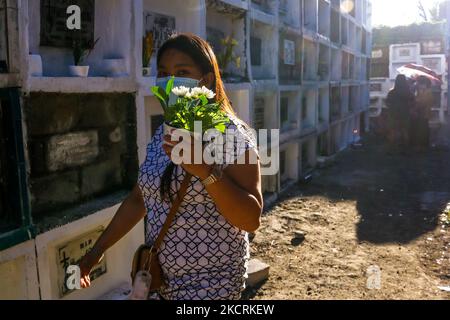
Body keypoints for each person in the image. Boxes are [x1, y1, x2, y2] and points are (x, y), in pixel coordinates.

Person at [78, 33, 263, 300]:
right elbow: (139, 198)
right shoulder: (164, 131)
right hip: (160, 282)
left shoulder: (228, 135)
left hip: (211, 286)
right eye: (163, 72)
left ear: (206, 81)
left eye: (182, 71)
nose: (170, 80)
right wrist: (96, 252)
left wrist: (205, 171)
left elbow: (250, 218)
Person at [385, 74, 415, 153]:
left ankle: (391, 148)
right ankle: (406, 148)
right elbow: (413, 102)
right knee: (405, 130)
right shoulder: (408, 92)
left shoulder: (392, 92)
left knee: (393, 131)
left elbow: (387, 103)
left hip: (393, 113)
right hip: (405, 113)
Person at [410, 76, 433, 152]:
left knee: (423, 129)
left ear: (424, 83)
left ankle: (423, 145)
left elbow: (423, 102)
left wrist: (416, 103)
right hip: (422, 113)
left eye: (419, 83)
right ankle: (422, 145)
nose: (417, 84)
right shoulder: (422, 91)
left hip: (424, 113)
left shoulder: (427, 92)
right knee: (422, 128)